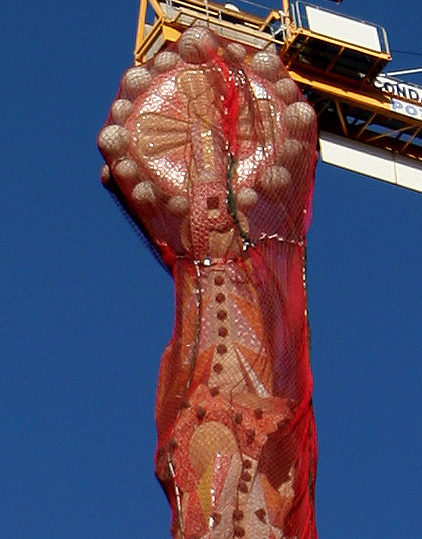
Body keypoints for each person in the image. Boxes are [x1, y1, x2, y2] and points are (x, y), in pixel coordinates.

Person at [98, 25, 319, 539]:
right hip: (213, 377)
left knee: (242, 449)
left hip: (238, 378)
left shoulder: (245, 279)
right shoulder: (200, 284)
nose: (217, 211)